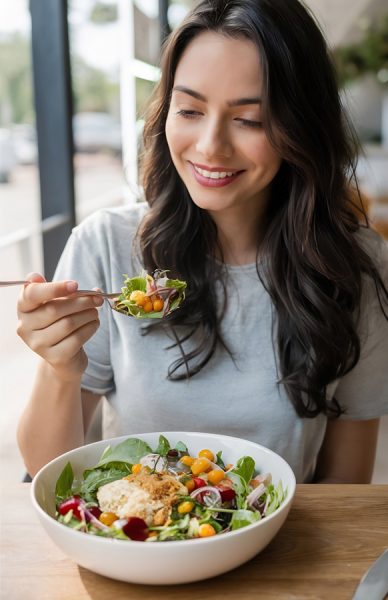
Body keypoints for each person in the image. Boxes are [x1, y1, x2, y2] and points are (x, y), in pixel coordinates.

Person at [16, 0, 388, 483]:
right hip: (132, 544)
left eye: (249, 120)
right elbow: (48, 472)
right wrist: (59, 369)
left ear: (301, 128)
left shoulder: (351, 263)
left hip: (283, 547)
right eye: (189, 109)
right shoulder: (106, 245)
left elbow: (345, 491)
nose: (210, 145)